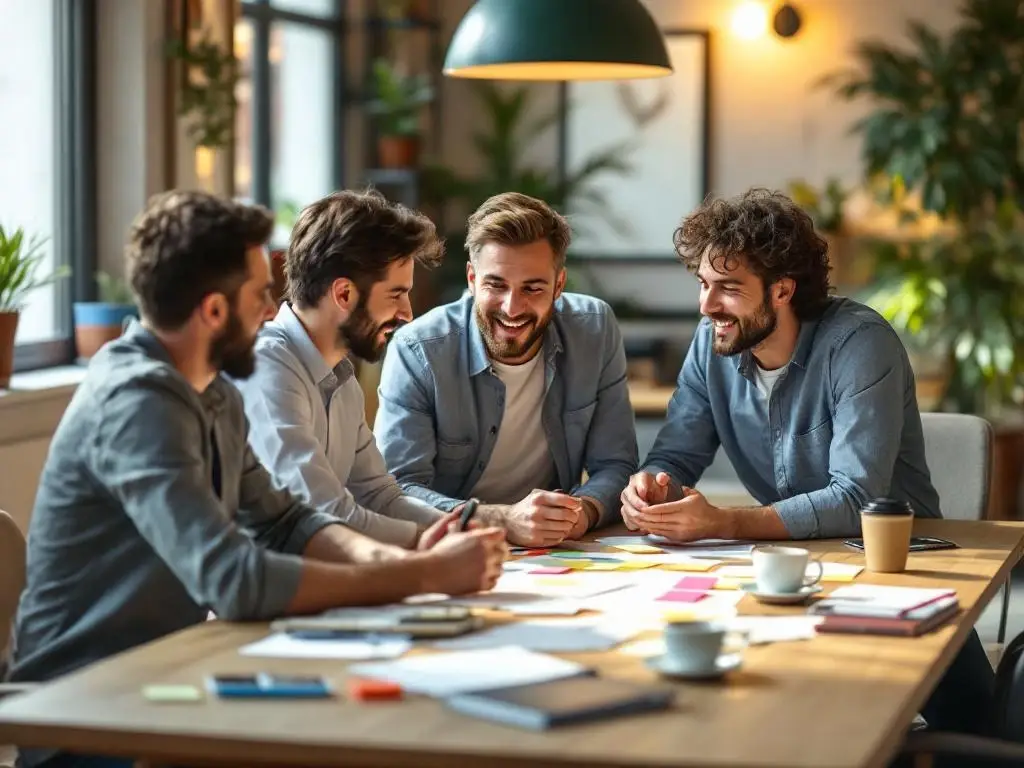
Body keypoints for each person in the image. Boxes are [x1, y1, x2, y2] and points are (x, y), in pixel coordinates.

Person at [7, 191, 505, 768]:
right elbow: (233, 578)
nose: (273, 311)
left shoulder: (212, 390)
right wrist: (417, 577)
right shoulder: (137, 403)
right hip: (88, 718)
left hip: (165, 680)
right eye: (259, 295)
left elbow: (285, 520)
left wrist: (405, 565)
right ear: (215, 311)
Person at [620, 187, 992, 738]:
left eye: (728, 289)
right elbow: (676, 455)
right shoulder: (711, 346)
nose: (706, 306)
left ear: (782, 290)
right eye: (703, 285)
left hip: (899, 572)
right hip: (789, 569)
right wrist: (652, 489)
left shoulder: (859, 344)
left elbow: (855, 497)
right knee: (754, 716)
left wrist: (723, 521)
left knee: (974, 738)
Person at [375, 192, 638, 548]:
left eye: (532, 288)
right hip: (453, 548)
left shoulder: (595, 329)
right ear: (471, 278)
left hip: (554, 549)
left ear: (559, 285)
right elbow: (397, 492)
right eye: (495, 285)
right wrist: (502, 520)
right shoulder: (417, 350)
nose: (512, 308)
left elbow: (616, 464)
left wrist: (583, 512)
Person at [231, 189, 448, 548]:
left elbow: (380, 496)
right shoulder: (267, 367)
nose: (407, 313)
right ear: (344, 294)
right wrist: (431, 540)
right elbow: (324, 513)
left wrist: (458, 528)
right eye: (396, 294)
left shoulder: (340, 377)